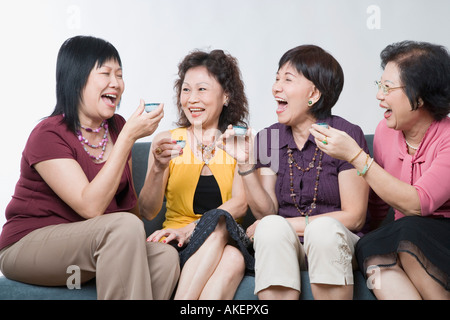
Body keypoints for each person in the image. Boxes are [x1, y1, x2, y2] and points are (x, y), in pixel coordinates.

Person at [0, 35, 180, 300]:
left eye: (119, 75)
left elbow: (135, 214)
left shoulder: (116, 128)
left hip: (90, 246)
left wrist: (157, 168)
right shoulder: (48, 134)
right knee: (123, 227)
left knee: (164, 257)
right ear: (76, 80)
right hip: (28, 246)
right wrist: (129, 138)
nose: (116, 83)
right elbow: (91, 207)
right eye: (105, 73)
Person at [219, 45, 370, 300]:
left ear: (314, 93)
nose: (276, 87)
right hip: (287, 247)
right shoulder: (268, 138)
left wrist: (290, 224)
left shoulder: (346, 135)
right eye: (277, 78)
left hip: (336, 243)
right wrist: (246, 165)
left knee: (321, 231)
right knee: (270, 227)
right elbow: (266, 211)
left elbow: (354, 217)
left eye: (287, 80)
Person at [310, 40, 450, 300]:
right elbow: (377, 205)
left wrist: (355, 156)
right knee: (372, 246)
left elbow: (418, 204)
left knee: (408, 235)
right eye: (379, 85)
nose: (379, 95)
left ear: (419, 97)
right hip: (404, 235)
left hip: (440, 237)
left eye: (388, 87)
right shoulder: (386, 133)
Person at [139, 49, 251, 300]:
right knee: (232, 258)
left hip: (224, 236)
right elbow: (147, 211)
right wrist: (157, 168)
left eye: (202, 89)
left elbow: (241, 204)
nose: (191, 99)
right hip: (177, 242)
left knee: (222, 223)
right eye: (186, 89)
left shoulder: (238, 140)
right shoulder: (167, 141)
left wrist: (192, 229)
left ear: (226, 96)